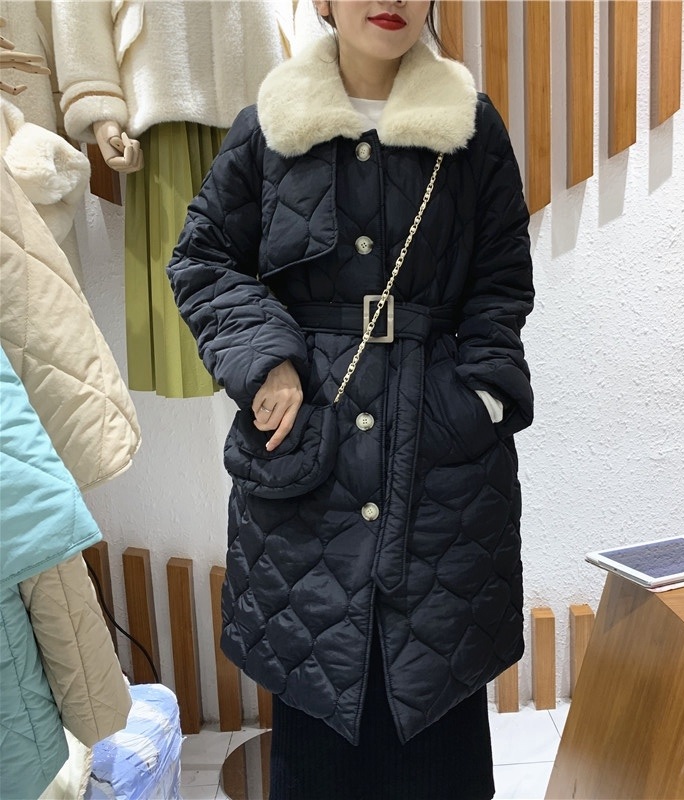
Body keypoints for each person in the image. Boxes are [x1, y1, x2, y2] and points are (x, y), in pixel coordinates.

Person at [167, 2, 534, 797]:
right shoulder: (270, 129)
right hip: (311, 467)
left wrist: (475, 400)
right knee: (318, 719)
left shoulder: (471, 131)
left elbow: (501, 284)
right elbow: (203, 260)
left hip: (441, 473)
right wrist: (268, 362)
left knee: (438, 725)